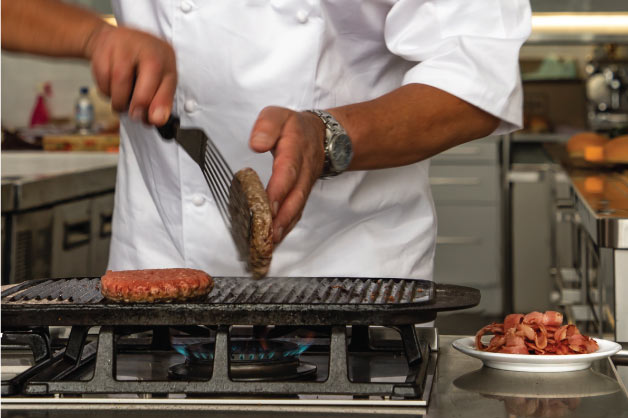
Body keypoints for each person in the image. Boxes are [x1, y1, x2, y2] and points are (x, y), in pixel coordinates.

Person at [2, 0, 531, 279]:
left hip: (349, 274)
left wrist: (327, 137)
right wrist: (96, 36)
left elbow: (479, 72)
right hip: (159, 270)